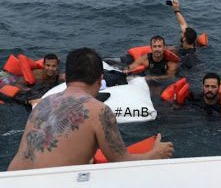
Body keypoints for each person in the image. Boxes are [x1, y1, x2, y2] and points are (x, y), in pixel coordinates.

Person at [8, 47, 174, 170]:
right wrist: (155, 154)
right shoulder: (99, 111)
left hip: (12, 180)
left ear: (67, 76)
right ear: (100, 78)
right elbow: (122, 163)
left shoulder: (42, 104)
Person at [168, 0, 198, 69]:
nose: (181, 33)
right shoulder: (191, 43)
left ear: (184, 38)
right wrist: (176, 10)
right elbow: (183, 24)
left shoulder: (187, 57)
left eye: (182, 33)